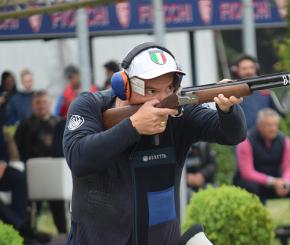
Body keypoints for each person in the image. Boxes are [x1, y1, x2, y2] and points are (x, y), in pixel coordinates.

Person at [63, 42, 247, 245]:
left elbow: (232, 135)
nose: (162, 99)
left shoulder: (179, 112)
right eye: (151, 91)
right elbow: (79, 158)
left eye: (169, 88)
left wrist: (228, 110)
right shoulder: (90, 106)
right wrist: (132, 127)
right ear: (124, 86)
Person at [233, 108, 290, 224]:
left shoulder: (284, 140)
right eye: (269, 125)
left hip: (276, 183)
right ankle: (258, 225)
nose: (273, 129)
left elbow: (289, 166)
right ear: (259, 125)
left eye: (275, 125)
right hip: (252, 183)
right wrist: (273, 181)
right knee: (251, 187)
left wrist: (285, 182)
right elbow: (247, 172)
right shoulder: (246, 141)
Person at [14, 90, 67, 234]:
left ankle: (63, 234)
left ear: (50, 103)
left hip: (56, 174)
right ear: (33, 105)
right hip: (32, 174)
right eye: (38, 102)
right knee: (31, 209)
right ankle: (30, 233)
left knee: (58, 207)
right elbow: (18, 151)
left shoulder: (59, 124)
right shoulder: (24, 126)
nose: (41, 106)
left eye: (44, 102)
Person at [230, 54, 290, 130]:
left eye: (251, 68)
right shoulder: (232, 93)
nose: (249, 71)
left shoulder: (266, 91)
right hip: (242, 138)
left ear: (256, 69)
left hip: (264, 137)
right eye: (244, 68)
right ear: (236, 71)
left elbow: (280, 114)